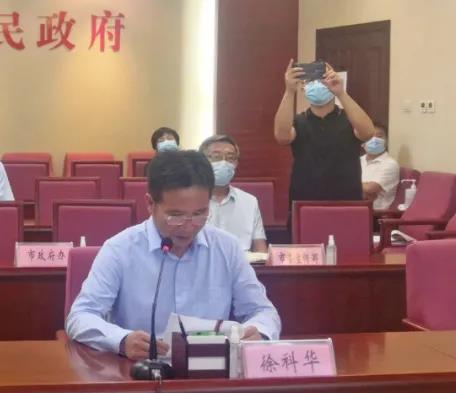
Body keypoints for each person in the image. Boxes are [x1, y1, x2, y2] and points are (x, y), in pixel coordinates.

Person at [66, 150, 280, 360]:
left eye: (199, 214)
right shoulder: (120, 249)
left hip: (209, 367)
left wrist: (258, 333)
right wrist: (122, 340)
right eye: (175, 216)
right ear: (150, 204)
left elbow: (263, 312)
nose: (188, 226)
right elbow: (80, 316)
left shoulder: (227, 248)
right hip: (140, 369)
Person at [274, 60, 374, 208]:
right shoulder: (298, 121)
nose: (318, 83)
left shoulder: (350, 119)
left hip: (346, 201)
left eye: (323, 77)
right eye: (311, 80)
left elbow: (368, 133)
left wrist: (341, 93)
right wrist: (289, 91)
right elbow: (282, 137)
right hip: (305, 202)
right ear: (304, 87)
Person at [200, 134, 267, 252]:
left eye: (230, 158)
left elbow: (260, 248)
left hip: (241, 261)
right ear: (202, 162)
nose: (224, 162)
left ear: (236, 163)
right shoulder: (189, 201)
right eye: (216, 157)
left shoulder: (250, 201)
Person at [361, 124, 400, 210]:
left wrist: (350, 185)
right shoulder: (358, 161)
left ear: (386, 142)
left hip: (374, 213)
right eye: (370, 137)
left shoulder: (390, 164)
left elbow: (370, 189)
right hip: (355, 207)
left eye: (379, 136)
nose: (374, 140)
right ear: (362, 142)